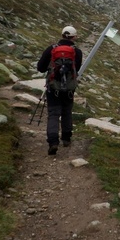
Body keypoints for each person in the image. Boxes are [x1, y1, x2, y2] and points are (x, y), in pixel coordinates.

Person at [37, 26, 83, 155]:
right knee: (67, 111)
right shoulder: (77, 52)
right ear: (74, 37)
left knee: (53, 113)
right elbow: (76, 69)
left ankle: (53, 142)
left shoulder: (51, 49)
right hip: (69, 88)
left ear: (62, 35)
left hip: (53, 87)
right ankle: (66, 139)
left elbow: (40, 68)